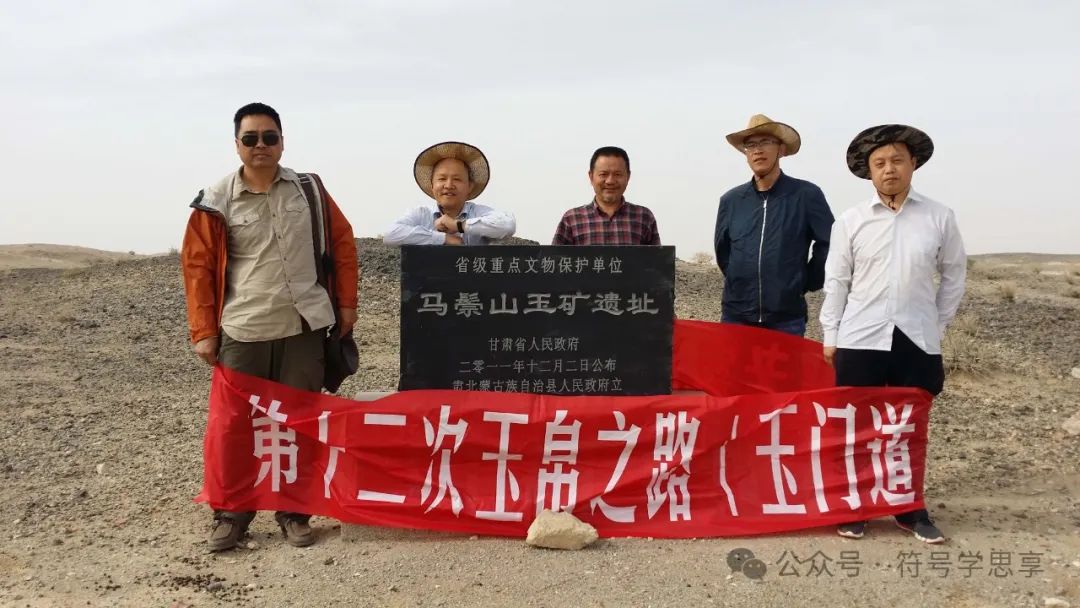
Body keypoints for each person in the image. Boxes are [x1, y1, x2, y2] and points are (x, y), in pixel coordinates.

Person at [180, 102, 358, 552]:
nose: (260, 145)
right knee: (233, 428)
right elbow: (197, 267)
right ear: (237, 144)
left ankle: (295, 511)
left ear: (282, 141)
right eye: (251, 138)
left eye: (269, 137)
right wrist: (203, 331)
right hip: (244, 329)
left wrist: (346, 305)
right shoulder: (215, 200)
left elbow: (342, 244)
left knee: (301, 423)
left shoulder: (309, 191)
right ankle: (231, 515)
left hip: (303, 326)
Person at [821, 124, 966, 544]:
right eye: (880, 163)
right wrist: (831, 332)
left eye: (897, 160)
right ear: (868, 171)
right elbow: (837, 281)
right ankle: (855, 506)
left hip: (916, 338)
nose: (889, 169)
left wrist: (936, 325)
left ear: (913, 164)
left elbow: (954, 276)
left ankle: (909, 508)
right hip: (860, 336)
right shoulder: (851, 221)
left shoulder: (939, 217)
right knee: (855, 427)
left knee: (908, 427)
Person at [714, 114, 834, 337]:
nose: (758, 150)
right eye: (751, 145)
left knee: (786, 364)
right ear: (746, 154)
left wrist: (804, 281)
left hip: (786, 318)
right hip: (736, 315)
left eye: (765, 142)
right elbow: (724, 253)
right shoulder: (731, 201)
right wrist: (739, 281)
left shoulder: (806, 195)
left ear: (781, 149)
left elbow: (829, 243)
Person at [383, 141, 515, 245]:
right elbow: (391, 234)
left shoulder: (477, 212)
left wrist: (458, 225)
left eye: (457, 179)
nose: (449, 185)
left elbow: (508, 225)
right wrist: (442, 238)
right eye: (442, 179)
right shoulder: (421, 214)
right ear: (432, 186)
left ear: (469, 187)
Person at [552, 146, 660, 245]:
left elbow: (658, 259)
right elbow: (554, 258)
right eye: (603, 174)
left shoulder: (644, 217)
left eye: (617, 174)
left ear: (628, 176)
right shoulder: (572, 219)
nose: (610, 181)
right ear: (591, 176)